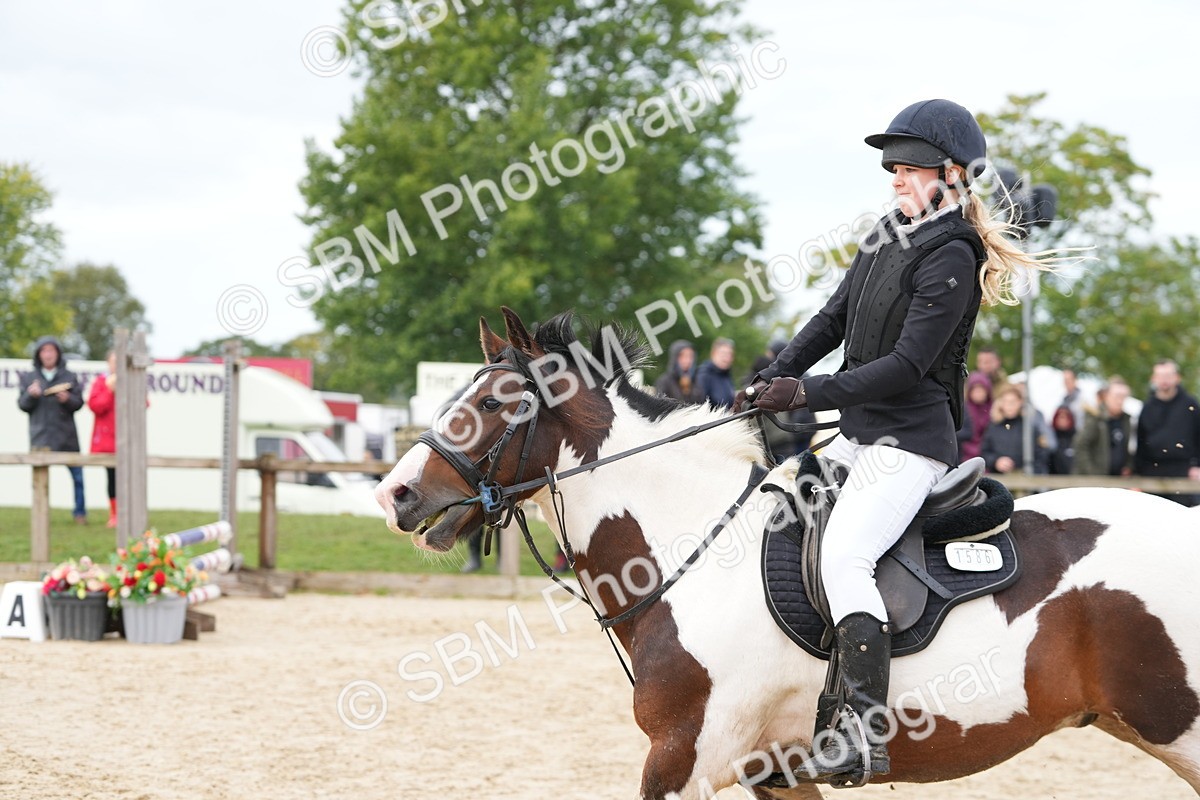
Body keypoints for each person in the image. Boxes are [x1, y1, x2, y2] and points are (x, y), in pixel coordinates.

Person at [734, 99, 1062, 783]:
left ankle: (858, 727)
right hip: (857, 436)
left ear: (951, 175)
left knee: (848, 557)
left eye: (909, 170)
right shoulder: (888, 231)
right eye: (893, 169)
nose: (895, 180)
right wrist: (775, 373)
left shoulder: (951, 254)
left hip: (909, 446)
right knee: (772, 512)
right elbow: (832, 318)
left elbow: (906, 366)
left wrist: (806, 394)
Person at [17, 336, 87, 523]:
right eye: (44, 351)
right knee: (40, 481)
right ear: (39, 354)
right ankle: (40, 514)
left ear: (58, 353)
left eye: (51, 350)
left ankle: (80, 513)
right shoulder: (29, 378)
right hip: (41, 436)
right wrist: (31, 396)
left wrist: (67, 399)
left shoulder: (69, 376)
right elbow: (22, 405)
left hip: (66, 436)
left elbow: (79, 403)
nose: (48, 354)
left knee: (78, 477)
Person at [1134, 360, 1200, 506]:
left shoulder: (1190, 404)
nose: (1164, 380)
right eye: (1160, 375)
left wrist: (1197, 465)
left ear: (1177, 377)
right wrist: (1137, 472)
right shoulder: (1148, 407)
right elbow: (1140, 440)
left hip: (1183, 472)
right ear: (1153, 378)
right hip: (1152, 471)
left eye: (1168, 375)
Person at [980, 384, 1051, 475]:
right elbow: (985, 452)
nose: (1009, 405)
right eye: (1006, 401)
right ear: (1000, 403)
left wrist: (1030, 470)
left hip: (1025, 479)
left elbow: (1041, 453)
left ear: (1020, 402)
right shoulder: (993, 427)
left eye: (1013, 401)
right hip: (999, 477)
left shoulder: (1029, 427)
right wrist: (996, 462)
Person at [1073, 378, 1132, 477]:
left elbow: (1126, 448)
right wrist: (1092, 474)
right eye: (1117, 396)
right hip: (1095, 482)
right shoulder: (1095, 417)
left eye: (1123, 397)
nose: (1120, 401)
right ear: (1107, 396)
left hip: (1118, 480)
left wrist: (1128, 466)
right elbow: (1080, 445)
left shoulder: (1126, 420)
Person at [88, 351, 119, 527]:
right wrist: (109, 390)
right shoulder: (101, 382)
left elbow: (143, 404)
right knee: (112, 477)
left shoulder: (131, 381)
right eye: (113, 361)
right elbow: (95, 406)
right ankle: (114, 514)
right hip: (108, 441)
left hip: (126, 439)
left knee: (128, 478)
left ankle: (127, 513)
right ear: (108, 363)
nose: (116, 365)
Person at [957, 371, 993, 463]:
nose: (978, 393)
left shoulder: (994, 409)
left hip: (988, 452)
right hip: (964, 453)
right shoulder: (962, 409)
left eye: (981, 389)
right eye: (975, 389)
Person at [696, 338, 736, 409]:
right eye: (723, 353)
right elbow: (698, 404)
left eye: (730, 354)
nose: (727, 358)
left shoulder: (726, 375)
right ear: (713, 353)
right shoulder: (703, 375)